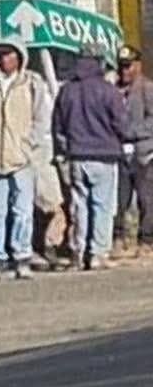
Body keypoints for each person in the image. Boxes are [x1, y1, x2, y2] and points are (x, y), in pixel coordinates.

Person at [0, 38, 51, 281]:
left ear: (20, 57)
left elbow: (41, 118)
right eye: (1, 54)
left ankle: (22, 255)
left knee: (23, 211)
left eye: (10, 54)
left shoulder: (32, 82)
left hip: (21, 159)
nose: (6, 59)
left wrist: (29, 145)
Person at [53, 53, 130, 271]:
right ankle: (98, 253)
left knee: (80, 205)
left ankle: (78, 251)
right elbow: (121, 124)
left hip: (77, 155)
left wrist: (65, 149)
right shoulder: (108, 91)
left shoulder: (67, 91)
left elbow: (58, 126)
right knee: (102, 206)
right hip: (105, 155)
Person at [115, 46, 153, 257]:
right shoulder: (114, 89)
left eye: (128, 66)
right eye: (121, 67)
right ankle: (118, 238)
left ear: (138, 65)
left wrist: (132, 132)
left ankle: (146, 240)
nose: (124, 71)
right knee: (120, 199)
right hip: (120, 153)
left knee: (147, 200)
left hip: (144, 153)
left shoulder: (147, 88)